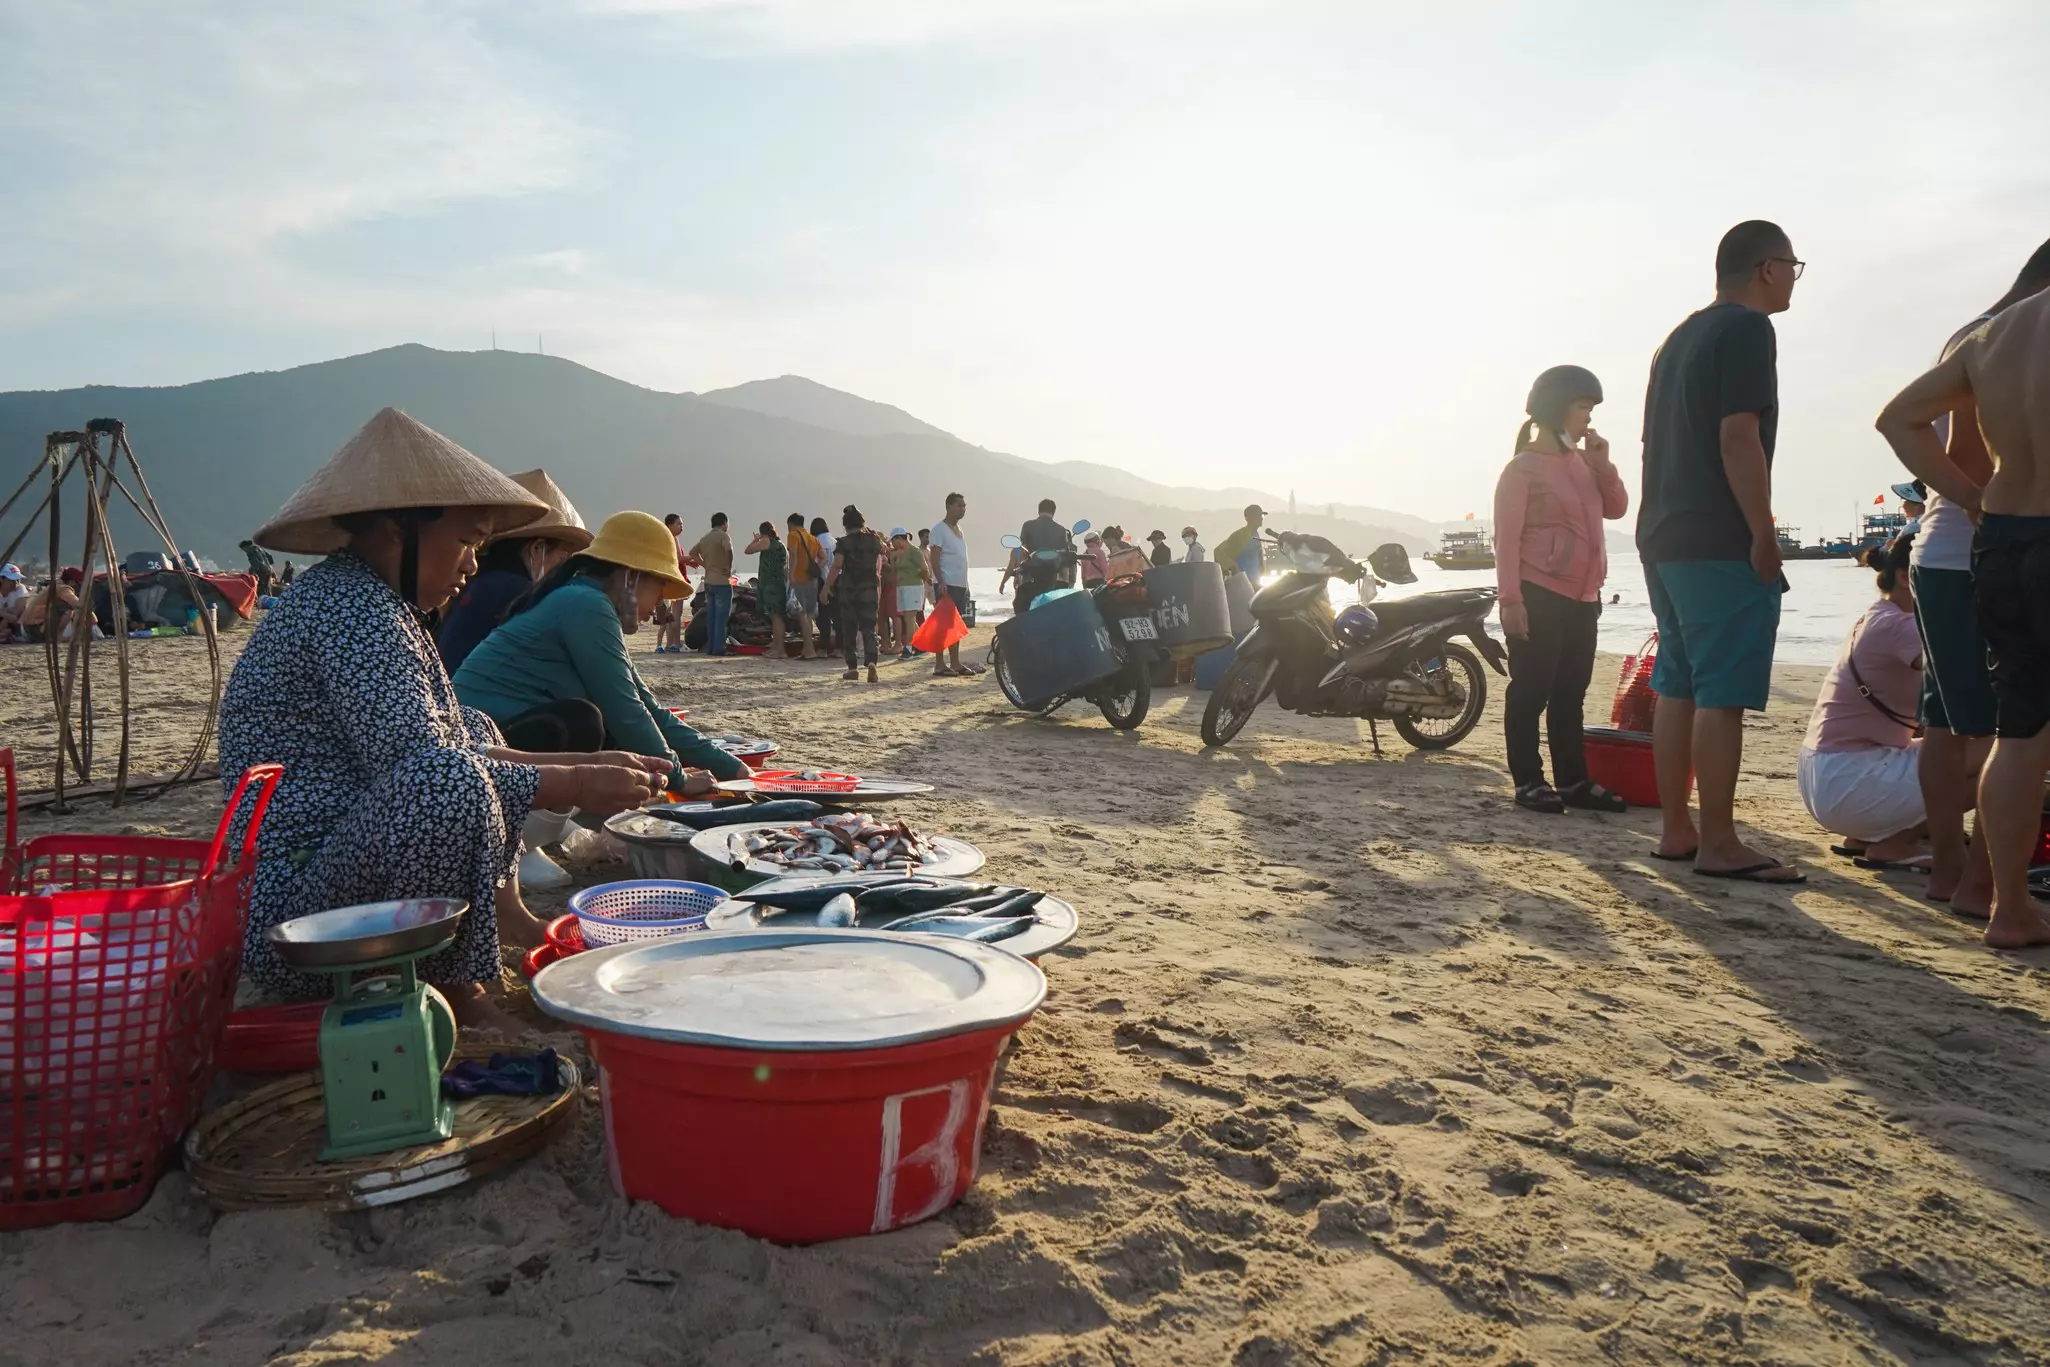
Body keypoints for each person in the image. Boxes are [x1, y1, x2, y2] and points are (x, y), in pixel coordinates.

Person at [217, 408, 670, 1035]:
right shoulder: (350, 608)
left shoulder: (378, 601)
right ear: (399, 530)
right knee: (445, 784)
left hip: (337, 876)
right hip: (300, 925)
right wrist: (575, 784)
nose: (473, 565)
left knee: (476, 731)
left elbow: (452, 739)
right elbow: (425, 768)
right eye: (466, 542)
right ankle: (452, 988)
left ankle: (498, 915)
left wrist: (591, 766)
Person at [1878, 283, 2050, 949]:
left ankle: (2009, 909)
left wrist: (1970, 495)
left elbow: (1898, 419)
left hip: (2003, 539)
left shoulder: (1991, 333)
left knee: (2019, 730)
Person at [1635, 220, 1803, 883]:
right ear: (1767, 268)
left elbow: (1656, 444)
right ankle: (1721, 841)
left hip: (1663, 532)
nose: (1794, 277)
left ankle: (1678, 828)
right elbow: (1739, 437)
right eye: (1792, 265)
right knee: (1722, 693)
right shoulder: (1747, 329)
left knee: (1678, 682)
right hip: (1715, 536)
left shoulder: (1678, 337)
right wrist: (1763, 531)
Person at [453, 510, 748, 785]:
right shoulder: (586, 604)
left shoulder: (585, 600)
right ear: (631, 576)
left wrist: (730, 767)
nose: (659, 603)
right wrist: (680, 778)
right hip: (477, 740)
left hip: (505, 728)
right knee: (588, 722)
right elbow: (625, 710)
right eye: (659, 587)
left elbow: (648, 708)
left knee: (613, 731)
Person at [1494, 365, 1632, 814]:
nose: (1588, 418)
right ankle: (1528, 781)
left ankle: (1573, 781)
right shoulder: (1521, 470)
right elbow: (1506, 540)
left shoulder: (1584, 463)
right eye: (1583, 407)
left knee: (1572, 692)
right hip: (1538, 593)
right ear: (1557, 408)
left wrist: (1603, 464)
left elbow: (1617, 508)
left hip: (1584, 596)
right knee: (1531, 690)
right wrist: (1510, 601)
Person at [1797, 534, 1926, 864]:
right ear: (1903, 576)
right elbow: (1964, 673)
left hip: (1827, 776)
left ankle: (1873, 834)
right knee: (1980, 753)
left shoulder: (1876, 616)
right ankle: (1897, 844)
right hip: (1849, 782)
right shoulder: (1903, 626)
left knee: (1948, 744)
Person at [437, 468, 590, 674]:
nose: (564, 571)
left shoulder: (480, 584)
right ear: (537, 549)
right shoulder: (517, 591)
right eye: (562, 559)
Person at [824, 507, 886, 683]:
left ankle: (852, 668)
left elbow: (837, 565)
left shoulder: (843, 543)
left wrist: (826, 586)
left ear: (845, 525)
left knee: (849, 629)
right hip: (870, 589)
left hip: (849, 590)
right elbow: (884, 550)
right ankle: (872, 663)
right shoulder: (873, 540)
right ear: (862, 523)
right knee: (869, 628)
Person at [928, 491, 978, 678]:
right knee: (942, 625)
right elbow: (935, 557)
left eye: (964, 506)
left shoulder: (959, 530)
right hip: (946, 585)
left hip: (959, 584)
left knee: (954, 625)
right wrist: (940, 580)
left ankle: (955, 663)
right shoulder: (939, 529)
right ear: (949, 506)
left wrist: (966, 584)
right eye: (959, 505)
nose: (963, 509)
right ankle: (939, 664)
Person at [692, 512, 735, 657]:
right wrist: (728, 567)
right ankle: (719, 648)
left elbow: (693, 552)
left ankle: (711, 647)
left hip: (708, 581)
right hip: (722, 581)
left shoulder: (705, 538)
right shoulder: (723, 536)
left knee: (711, 616)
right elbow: (729, 549)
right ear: (724, 523)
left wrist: (705, 564)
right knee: (722, 617)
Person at [743, 521, 788, 658]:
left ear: (763, 532)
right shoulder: (780, 544)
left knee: (776, 617)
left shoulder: (766, 541)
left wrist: (755, 540)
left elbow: (748, 550)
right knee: (777, 617)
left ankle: (780, 650)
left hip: (771, 585)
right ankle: (777, 647)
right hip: (779, 583)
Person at [785, 513, 824, 658]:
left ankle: (809, 650)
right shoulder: (812, 538)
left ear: (791, 524)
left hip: (799, 579)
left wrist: (791, 574)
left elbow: (793, 555)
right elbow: (823, 556)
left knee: (801, 615)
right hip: (811, 580)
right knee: (807, 615)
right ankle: (808, 649)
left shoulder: (793, 536)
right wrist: (815, 568)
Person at [889, 528, 930, 660]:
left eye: (893, 541)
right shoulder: (900, 553)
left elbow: (925, 569)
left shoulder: (914, 551)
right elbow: (894, 572)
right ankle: (921, 646)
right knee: (909, 619)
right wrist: (893, 559)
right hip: (902, 587)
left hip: (913, 587)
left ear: (899, 539)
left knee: (909, 619)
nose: (892, 544)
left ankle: (908, 648)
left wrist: (921, 580)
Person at [654, 513, 692, 654]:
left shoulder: (667, 538)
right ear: (669, 525)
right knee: (676, 614)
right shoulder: (672, 538)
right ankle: (674, 644)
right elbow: (678, 558)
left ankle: (672, 643)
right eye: (678, 524)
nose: (681, 527)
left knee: (672, 614)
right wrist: (694, 557)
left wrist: (688, 561)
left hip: (672, 579)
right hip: (676, 580)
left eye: (682, 524)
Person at [811, 516, 840, 655]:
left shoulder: (817, 542)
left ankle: (823, 648)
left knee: (824, 616)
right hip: (838, 579)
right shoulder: (834, 541)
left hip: (824, 580)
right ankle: (839, 648)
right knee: (838, 615)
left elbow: (819, 564)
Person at [1214, 504, 1267, 580]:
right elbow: (1218, 551)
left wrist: (1262, 572)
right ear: (1248, 518)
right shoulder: (1240, 535)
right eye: (1258, 516)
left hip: (1255, 583)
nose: (1261, 519)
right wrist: (1234, 567)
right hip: (1242, 583)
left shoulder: (1256, 535)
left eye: (1262, 516)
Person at [0, 564, 25, 642]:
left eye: (18, 579)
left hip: (11, 621)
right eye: (12, 580)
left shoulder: (20, 588)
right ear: (1, 579)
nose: (16, 583)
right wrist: (6, 616)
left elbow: (19, 607)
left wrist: (6, 619)